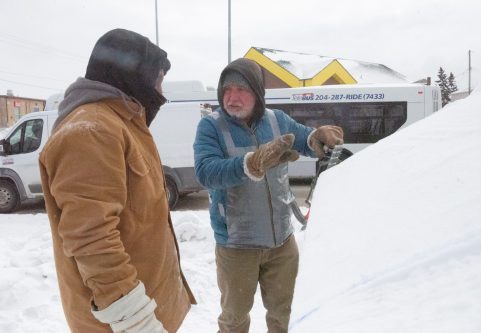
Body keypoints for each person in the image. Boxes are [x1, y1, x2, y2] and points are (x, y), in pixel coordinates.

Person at [39, 29, 196, 333]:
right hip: (123, 324)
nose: (161, 91)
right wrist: (137, 321)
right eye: (157, 78)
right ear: (132, 74)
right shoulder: (92, 130)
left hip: (147, 309)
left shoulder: (122, 121)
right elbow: (91, 239)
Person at [193, 58, 344, 333]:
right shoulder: (211, 128)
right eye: (226, 90)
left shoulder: (277, 120)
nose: (232, 97)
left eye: (241, 89)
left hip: (282, 244)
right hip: (236, 245)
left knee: (285, 316)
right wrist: (249, 164)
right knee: (234, 320)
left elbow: (304, 139)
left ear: (257, 93)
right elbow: (205, 172)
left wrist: (316, 137)